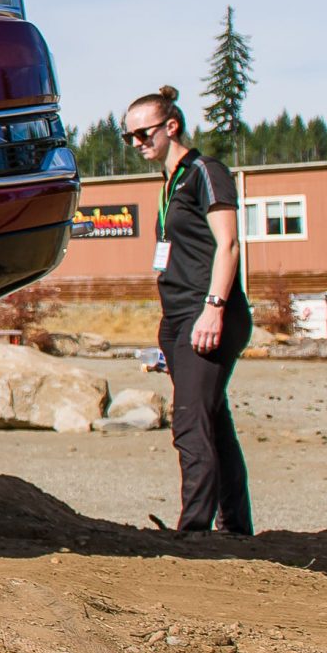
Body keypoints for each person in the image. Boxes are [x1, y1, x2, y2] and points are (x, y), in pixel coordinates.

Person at [122, 85, 251, 535]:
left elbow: (229, 245)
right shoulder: (169, 181)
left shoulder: (204, 172)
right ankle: (236, 526)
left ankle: (193, 531)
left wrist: (213, 308)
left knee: (189, 422)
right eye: (129, 138)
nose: (137, 144)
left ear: (170, 126)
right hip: (177, 317)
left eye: (143, 134)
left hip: (207, 312)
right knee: (213, 420)